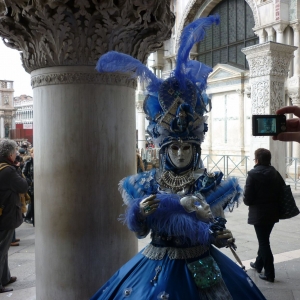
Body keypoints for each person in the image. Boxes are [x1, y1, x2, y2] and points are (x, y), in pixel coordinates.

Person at [91, 15, 266, 300]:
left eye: (187, 147)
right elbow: (139, 233)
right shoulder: (144, 184)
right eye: (174, 148)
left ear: (196, 148)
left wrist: (220, 236)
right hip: (155, 265)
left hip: (202, 265)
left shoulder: (211, 183)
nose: (181, 153)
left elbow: (216, 229)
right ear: (163, 150)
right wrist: (140, 213)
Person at [243, 148, 282, 283]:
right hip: (273, 213)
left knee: (264, 242)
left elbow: (247, 199)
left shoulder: (253, 175)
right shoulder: (275, 173)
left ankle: (269, 273)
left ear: (257, 160)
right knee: (264, 239)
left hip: (259, 214)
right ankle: (258, 264)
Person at [0, 139, 28, 293]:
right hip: (6, 215)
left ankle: (5, 277)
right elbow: (23, 186)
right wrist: (18, 169)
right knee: (1, 250)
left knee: (3, 250)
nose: (16, 154)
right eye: (15, 152)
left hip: (2, 213)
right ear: (10, 154)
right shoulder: (8, 170)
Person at [23, 148, 34, 226]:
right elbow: (23, 175)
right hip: (31, 187)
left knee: (33, 203)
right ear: (31, 154)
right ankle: (29, 218)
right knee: (32, 203)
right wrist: (29, 182)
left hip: (39, 186)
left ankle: (31, 219)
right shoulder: (28, 163)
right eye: (33, 153)